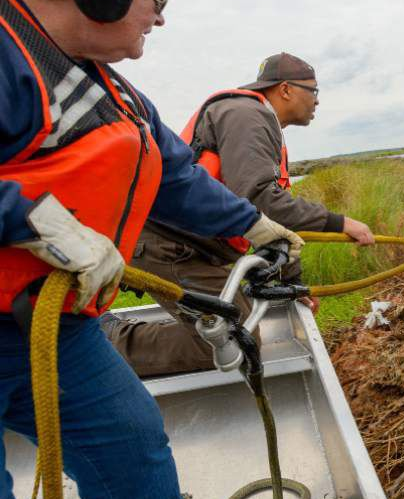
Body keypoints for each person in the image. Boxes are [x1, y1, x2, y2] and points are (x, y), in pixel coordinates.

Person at [0, 0, 304, 499]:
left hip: (41, 326)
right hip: (26, 306)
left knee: (129, 438)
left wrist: (252, 226)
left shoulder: (116, 94)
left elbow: (170, 174)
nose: (162, 16)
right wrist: (39, 222)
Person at [104, 52, 375, 378]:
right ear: (286, 89)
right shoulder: (246, 114)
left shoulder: (256, 119)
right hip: (170, 248)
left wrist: (293, 285)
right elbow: (260, 197)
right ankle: (106, 340)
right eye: (313, 91)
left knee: (236, 329)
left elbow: (272, 224)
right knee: (229, 340)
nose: (317, 101)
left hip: (191, 249)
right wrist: (342, 223)